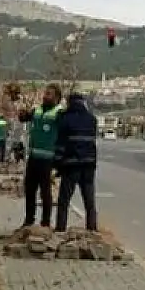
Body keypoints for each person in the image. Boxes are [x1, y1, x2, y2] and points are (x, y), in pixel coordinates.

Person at [16, 84, 63, 228]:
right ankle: (29, 220)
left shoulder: (59, 113)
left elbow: (63, 135)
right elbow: (24, 118)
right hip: (34, 158)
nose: (45, 96)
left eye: (48, 94)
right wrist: (22, 113)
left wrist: (59, 161)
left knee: (45, 192)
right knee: (30, 190)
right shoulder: (37, 110)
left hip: (48, 160)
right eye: (45, 93)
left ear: (56, 98)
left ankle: (45, 223)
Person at [53, 92, 99, 232]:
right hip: (89, 165)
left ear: (69, 102)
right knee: (89, 201)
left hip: (71, 165)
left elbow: (61, 145)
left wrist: (56, 165)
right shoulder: (92, 119)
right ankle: (92, 230)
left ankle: (61, 229)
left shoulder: (65, 119)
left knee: (64, 200)